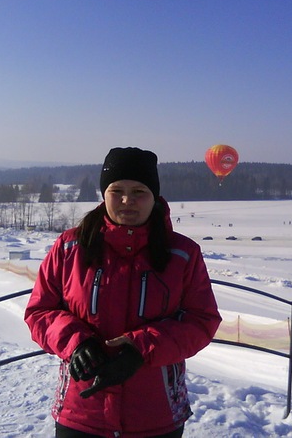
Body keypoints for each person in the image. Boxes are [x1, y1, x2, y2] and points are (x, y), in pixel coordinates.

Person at [25, 147, 222, 437]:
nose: (127, 200)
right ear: (104, 194)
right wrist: (76, 342)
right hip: (82, 412)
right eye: (116, 191)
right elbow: (40, 311)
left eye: (139, 191)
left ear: (154, 196)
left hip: (155, 416)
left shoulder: (183, 254)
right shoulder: (69, 247)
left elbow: (202, 320)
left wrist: (142, 349)